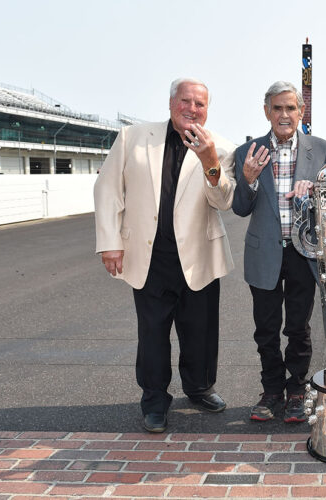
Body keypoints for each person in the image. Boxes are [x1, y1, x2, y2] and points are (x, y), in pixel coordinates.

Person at [94, 78, 237, 433]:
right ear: (171, 103)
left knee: (200, 333)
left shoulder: (223, 147)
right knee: (153, 334)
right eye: (185, 101)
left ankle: (200, 388)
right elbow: (108, 188)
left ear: (208, 109)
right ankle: (154, 401)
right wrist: (110, 241)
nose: (192, 108)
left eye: (200, 104)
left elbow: (224, 200)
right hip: (149, 257)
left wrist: (209, 159)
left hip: (199, 255)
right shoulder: (133, 138)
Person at [233, 81, 326, 423]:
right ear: (267, 112)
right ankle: (271, 390)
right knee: (265, 327)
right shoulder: (247, 152)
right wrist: (247, 179)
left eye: (291, 108)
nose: (284, 115)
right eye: (277, 108)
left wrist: (316, 191)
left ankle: (296, 389)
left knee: (298, 327)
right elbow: (240, 209)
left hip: (303, 252)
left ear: (301, 112)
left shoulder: (323, 151)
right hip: (263, 252)